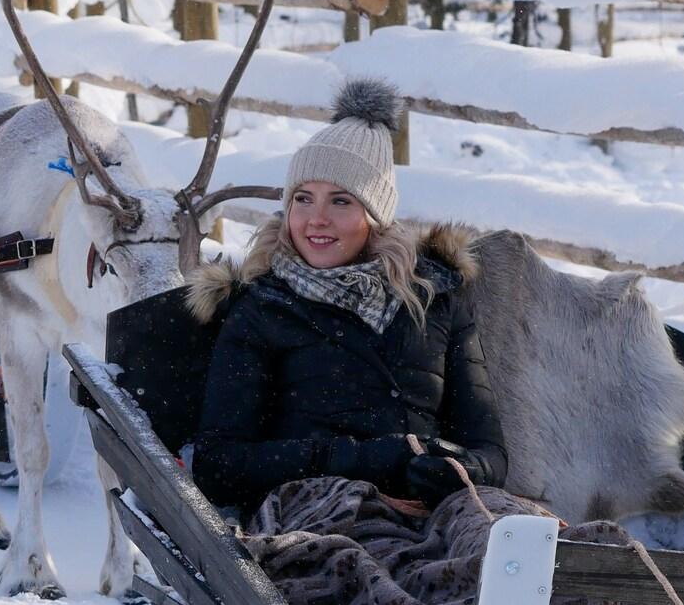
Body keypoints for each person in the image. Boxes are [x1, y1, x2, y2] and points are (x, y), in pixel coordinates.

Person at [185, 78, 507, 513]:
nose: (316, 219)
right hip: (321, 514)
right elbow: (219, 465)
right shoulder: (261, 308)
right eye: (302, 199)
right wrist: (365, 460)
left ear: (376, 216)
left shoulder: (436, 299)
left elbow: (488, 449)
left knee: (529, 550)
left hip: (438, 513)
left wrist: (459, 471)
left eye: (340, 202)